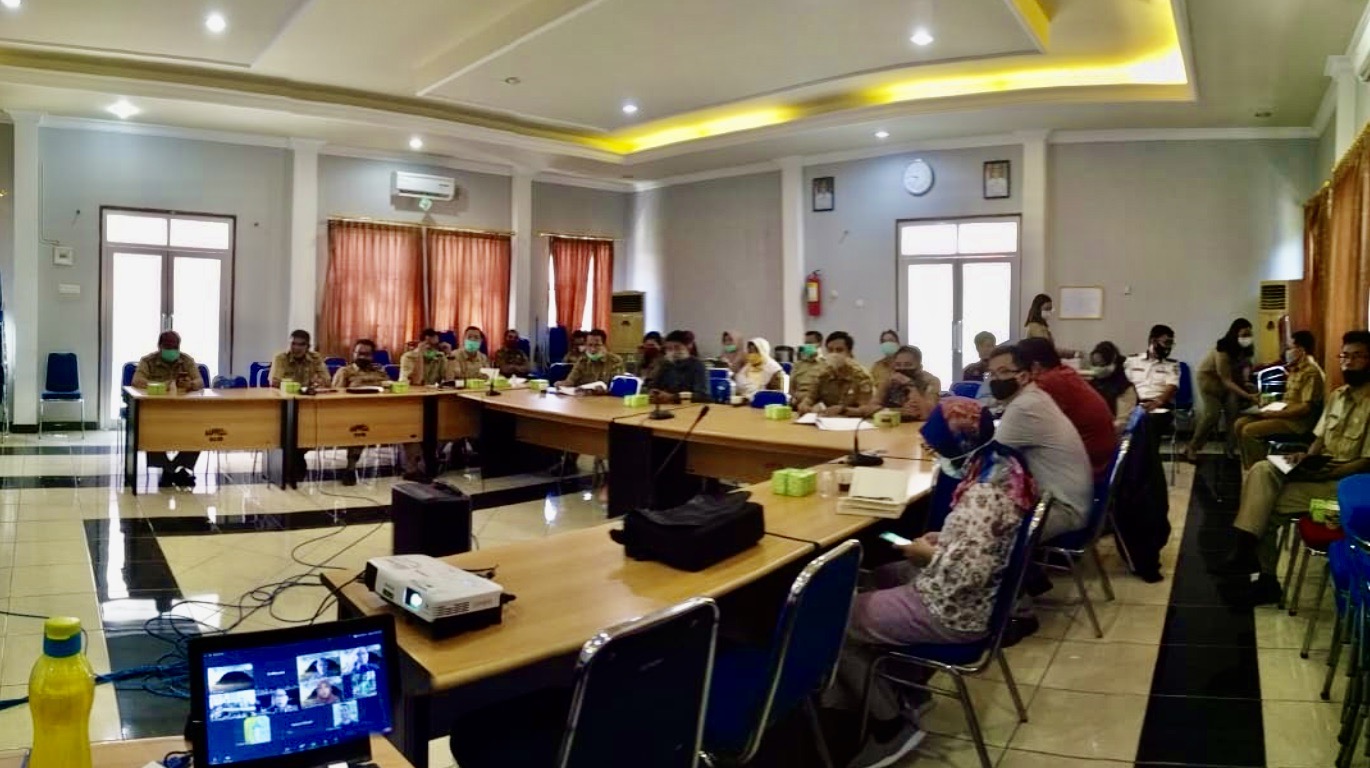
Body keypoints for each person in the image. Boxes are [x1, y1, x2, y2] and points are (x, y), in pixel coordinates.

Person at [828, 397, 1037, 768]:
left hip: (954, 610)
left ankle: (891, 728)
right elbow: (979, 545)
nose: (930, 449)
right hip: (970, 597)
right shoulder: (1000, 467)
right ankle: (908, 691)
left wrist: (927, 555)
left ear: (958, 443)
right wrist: (945, 539)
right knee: (880, 577)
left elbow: (968, 573)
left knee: (834, 622)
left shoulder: (984, 493)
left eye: (936, 443)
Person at [1215, 331, 1370, 604]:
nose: (1348, 362)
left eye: (1356, 356)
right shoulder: (1338, 396)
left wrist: (1330, 471)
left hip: (1344, 486)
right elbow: (1320, 439)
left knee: (1266, 505)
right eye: (1344, 356)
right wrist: (1305, 458)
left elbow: (1367, 462)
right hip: (1319, 468)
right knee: (1262, 470)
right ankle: (1244, 550)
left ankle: (1262, 574)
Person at [987, 343, 1093, 540]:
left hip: (1062, 510)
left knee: (982, 528)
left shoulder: (1024, 407)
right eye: (991, 374)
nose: (995, 380)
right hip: (1065, 501)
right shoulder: (1034, 397)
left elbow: (990, 463)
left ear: (1024, 376)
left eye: (1002, 372)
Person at [1019, 338, 1117, 480]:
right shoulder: (1064, 372)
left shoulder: (1048, 382)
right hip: (1102, 453)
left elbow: (1025, 422)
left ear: (1035, 367)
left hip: (1088, 464)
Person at [1233, 330, 1326, 469]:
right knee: (1239, 423)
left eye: (1289, 348)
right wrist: (1266, 400)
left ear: (1301, 350)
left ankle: (1259, 469)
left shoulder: (1311, 373)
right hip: (1284, 414)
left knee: (1249, 431)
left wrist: (1274, 414)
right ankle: (1248, 467)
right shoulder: (1295, 369)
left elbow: (1305, 408)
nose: (1286, 351)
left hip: (1296, 423)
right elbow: (1288, 397)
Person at [132, 331, 204, 488]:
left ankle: (178, 468)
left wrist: (190, 384)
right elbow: (137, 381)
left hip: (184, 410)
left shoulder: (186, 360)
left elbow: (200, 381)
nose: (172, 350)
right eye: (168, 347)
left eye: (175, 347)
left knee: (199, 429)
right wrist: (161, 386)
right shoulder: (148, 361)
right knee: (149, 429)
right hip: (156, 410)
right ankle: (166, 468)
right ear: (159, 346)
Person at [1185, 318, 1259, 462]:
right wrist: (1248, 396)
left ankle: (1230, 449)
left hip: (1230, 381)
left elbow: (1246, 364)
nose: (1247, 338)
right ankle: (1192, 447)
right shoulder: (1223, 349)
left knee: (1233, 414)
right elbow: (1226, 380)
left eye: (1249, 334)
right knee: (1212, 414)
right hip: (1209, 380)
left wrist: (1246, 381)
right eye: (1244, 334)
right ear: (1234, 334)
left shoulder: (1247, 347)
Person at [331, 339, 390, 486]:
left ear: (373, 355)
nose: (363, 357)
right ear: (353, 354)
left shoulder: (380, 371)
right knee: (360, 425)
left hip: (382, 412)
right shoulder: (345, 372)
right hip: (353, 414)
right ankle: (350, 469)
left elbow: (389, 389)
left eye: (367, 354)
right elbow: (334, 396)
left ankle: (414, 468)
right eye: (360, 353)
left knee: (409, 423)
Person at [795, 331, 875, 416]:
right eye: (830, 350)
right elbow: (809, 399)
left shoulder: (861, 376)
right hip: (825, 422)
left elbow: (866, 410)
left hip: (852, 423)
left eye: (839, 350)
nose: (834, 354)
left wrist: (843, 410)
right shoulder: (822, 374)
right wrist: (804, 406)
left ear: (849, 353)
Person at [864, 345, 939, 421]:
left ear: (919, 367)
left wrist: (910, 385)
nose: (902, 368)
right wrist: (899, 411)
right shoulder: (889, 380)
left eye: (908, 365)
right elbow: (869, 409)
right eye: (898, 365)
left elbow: (928, 413)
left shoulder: (931, 381)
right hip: (893, 425)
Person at [1125, 325, 1182, 412]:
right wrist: (1135, 404)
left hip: (1160, 405)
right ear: (1153, 341)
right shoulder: (1132, 360)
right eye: (1166, 343)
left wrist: (1157, 402)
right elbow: (1125, 385)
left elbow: (1171, 387)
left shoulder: (1172, 364)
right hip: (1135, 405)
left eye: (1171, 344)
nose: (1168, 347)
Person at [643, 330, 710, 404]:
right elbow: (653, 386)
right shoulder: (665, 364)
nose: (673, 352)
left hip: (688, 408)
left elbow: (702, 396)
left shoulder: (697, 365)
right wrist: (652, 392)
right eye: (669, 348)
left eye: (677, 347)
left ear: (688, 347)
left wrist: (673, 397)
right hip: (667, 407)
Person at [1088, 341, 1140, 436]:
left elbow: (1122, 424)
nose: (1097, 368)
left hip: (1112, 435)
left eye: (1101, 364)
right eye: (1095, 365)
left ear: (1113, 362)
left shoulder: (1125, 387)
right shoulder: (1092, 383)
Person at [557, 328, 624, 391]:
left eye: (597, 345)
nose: (593, 349)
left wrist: (603, 390)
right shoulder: (582, 360)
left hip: (606, 400)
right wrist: (562, 384)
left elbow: (616, 387)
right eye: (590, 345)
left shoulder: (615, 361)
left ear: (604, 345)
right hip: (584, 399)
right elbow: (571, 381)